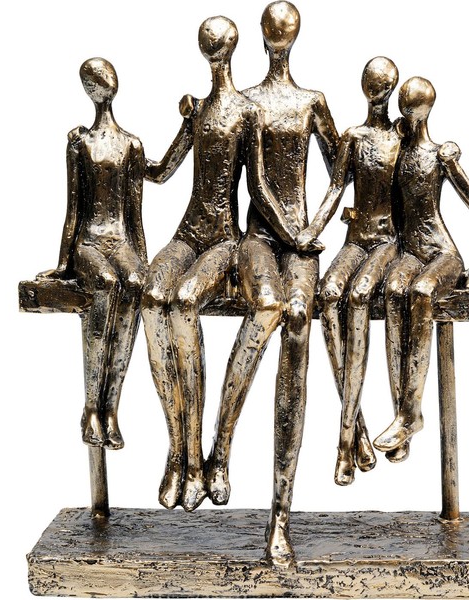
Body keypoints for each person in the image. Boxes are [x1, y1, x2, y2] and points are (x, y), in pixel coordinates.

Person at [205, 1, 353, 567]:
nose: (277, 37)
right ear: (262, 35)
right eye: (271, 30)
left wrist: (322, 224)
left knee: (298, 326)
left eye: (284, 30)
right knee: (266, 309)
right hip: (259, 238)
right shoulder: (245, 103)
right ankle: (220, 448)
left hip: (302, 242)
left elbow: (342, 170)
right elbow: (240, 181)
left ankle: (280, 515)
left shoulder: (312, 101)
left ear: (293, 36)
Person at [141, 16, 297, 513]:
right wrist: (124, 152)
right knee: (151, 296)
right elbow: (161, 170)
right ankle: (179, 451)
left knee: (185, 300)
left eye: (218, 43)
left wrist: (295, 237)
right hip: (187, 233)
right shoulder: (197, 110)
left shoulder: (247, 112)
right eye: (207, 43)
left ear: (228, 48)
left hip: (224, 239)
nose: (213, 49)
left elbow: (259, 188)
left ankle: (206, 455)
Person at [297, 57, 408, 487]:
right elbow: (333, 189)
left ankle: (344, 445)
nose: (375, 90)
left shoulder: (401, 139)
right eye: (370, 83)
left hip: (386, 243)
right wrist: (312, 229)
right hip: (354, 240)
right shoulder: (353, 137)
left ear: (390, 88)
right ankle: (356, 424)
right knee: (327, 295)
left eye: (381, 84)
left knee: (359, 296)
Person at [373, 77, 469, 454]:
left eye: (410, 108)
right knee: (394, 290)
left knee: (422, 291)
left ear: (422, 111)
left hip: (442, 254)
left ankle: (410, 413)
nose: (405, 114)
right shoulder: (397, 154)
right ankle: (403, 416)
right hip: (409, 253)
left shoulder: (440, 155)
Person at [38, 58, 147, 451]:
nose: (103, 83)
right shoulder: (79, 144)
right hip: (89, 242)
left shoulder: (132, 144)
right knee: (104, 282)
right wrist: (63, 264)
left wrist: (143, 262)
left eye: (104, 76)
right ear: (89, 89)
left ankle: (112, 406)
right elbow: (73, 209)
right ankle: (91, 408)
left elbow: (135, 214)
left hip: (121, 241)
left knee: (133, 283)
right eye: (94, 79)